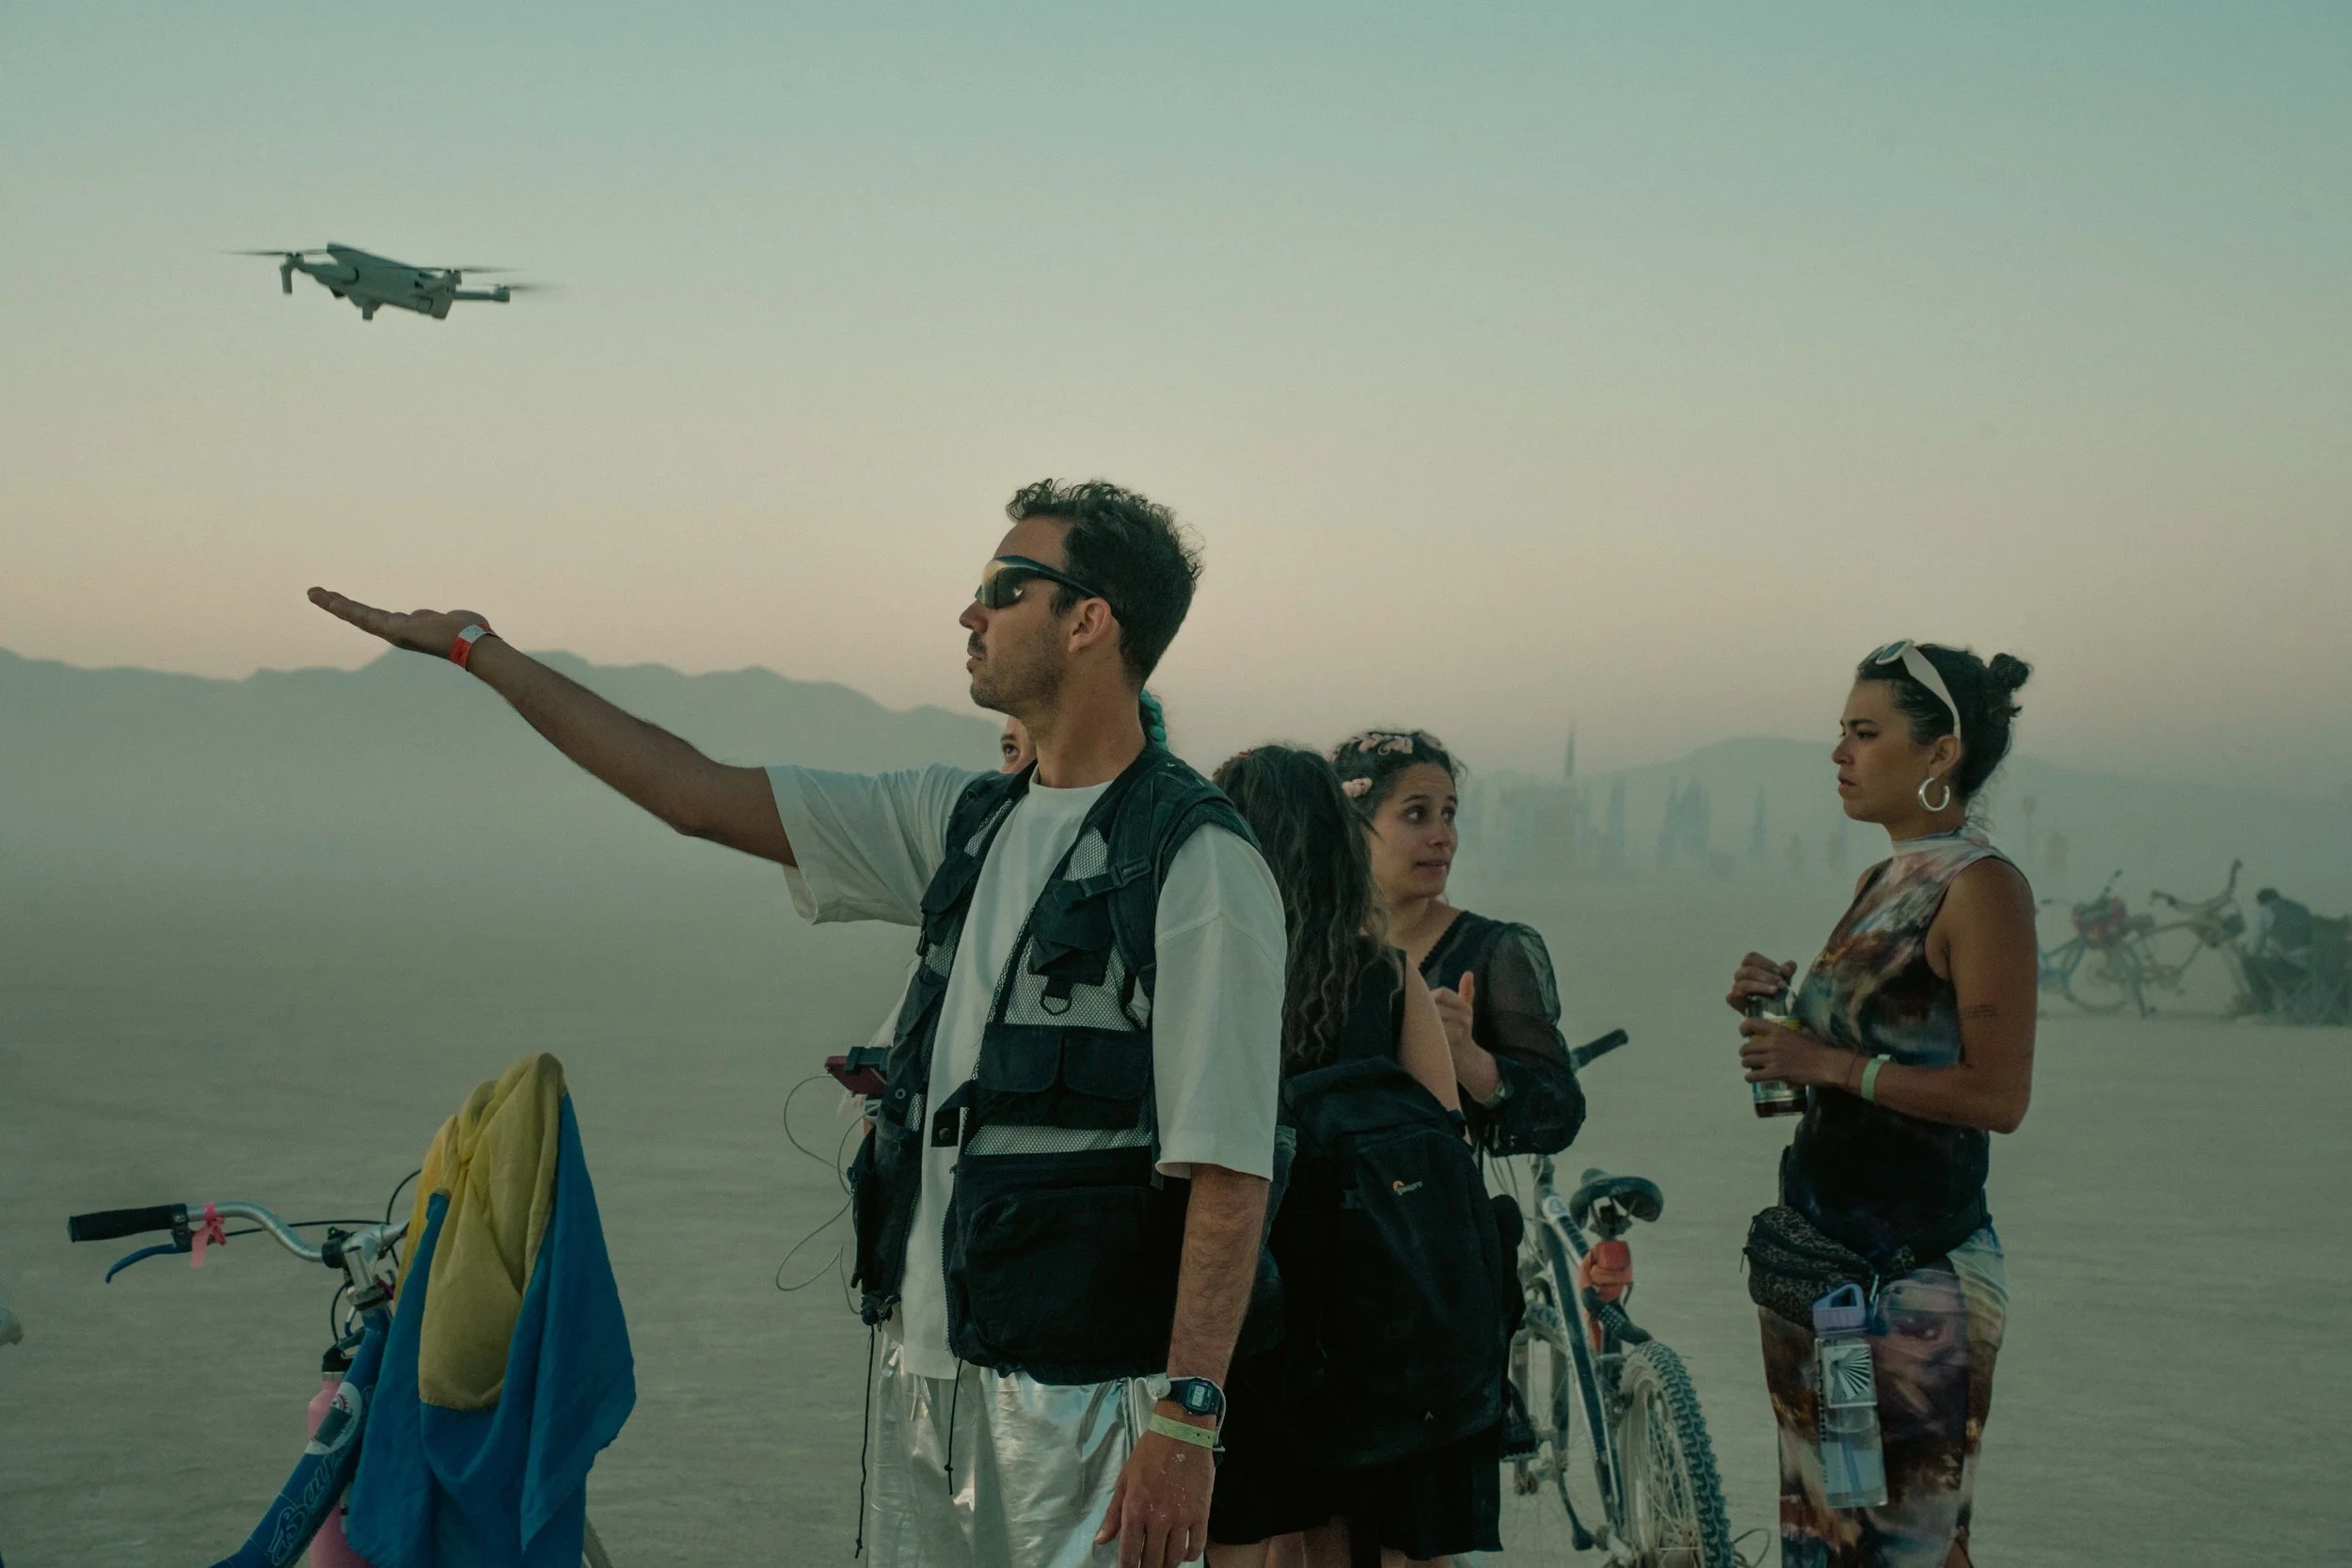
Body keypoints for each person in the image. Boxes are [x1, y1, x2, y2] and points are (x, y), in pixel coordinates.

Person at [309, 477, 1286, 1568]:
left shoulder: (1197, 864)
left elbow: (1230, 1162)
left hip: (1087, 1402)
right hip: (925, 1374)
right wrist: (475, 649)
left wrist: (1187, 1418)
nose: (970, 612)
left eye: (1004, 588)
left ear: (1089, 618)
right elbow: (694, 791)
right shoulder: (961, 821)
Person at [1725, 641, 2037, 1568]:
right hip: (1830, 1278)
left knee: (1898, 1541)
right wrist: (1773, 1017)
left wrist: (1825, 1058)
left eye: (1865, 732)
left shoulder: (1979, 887)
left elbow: (1997, 1093)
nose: (1839, 752)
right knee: (1841, 1530)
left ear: (1939, 754)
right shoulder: (1882, 881)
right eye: (1840, 732)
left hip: (1911, 1284)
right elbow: (1826, 1085)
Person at [1200, 746, 1488, 1568]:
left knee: (1241, 1529)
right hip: (1369, 1312)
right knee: (1351, 1531)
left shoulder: (1207, 970)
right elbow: (1440, 1134)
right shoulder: (1388, 975)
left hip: (1249, 1301)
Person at [1326, 731, 1583, 1155]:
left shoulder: (1490, 950)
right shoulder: (1305, 944)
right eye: (1416, 815)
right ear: (1352, 828)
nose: (1442, 835)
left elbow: (1558, 1117)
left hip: (1427, 1213)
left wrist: (1469, 1059)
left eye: (1449, 814)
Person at [2243, 886, 2316, 1014]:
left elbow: (2257, 946)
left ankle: (2265, 1010)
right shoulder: (2301, 908)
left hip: (2294, 969)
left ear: (2261, 902)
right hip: (2317, 967)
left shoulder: (2266, 910)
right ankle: (2291, 1007)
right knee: (2277, 962)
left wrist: (2248, 953)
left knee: (2250, 963)